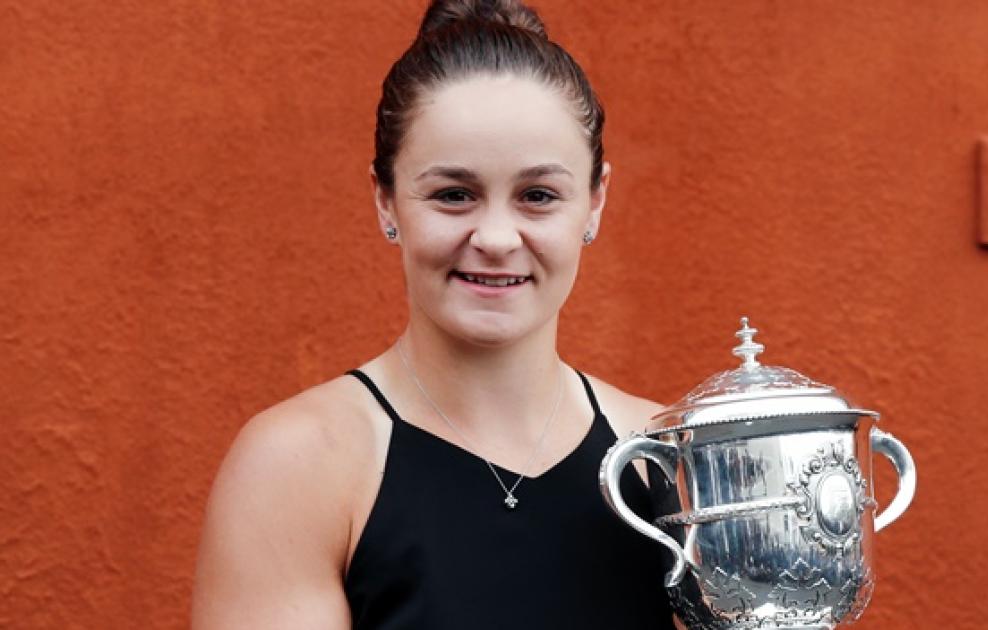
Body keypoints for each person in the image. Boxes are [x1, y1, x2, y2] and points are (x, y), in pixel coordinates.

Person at [191, 1, 678, 628]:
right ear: (386, 199)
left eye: (537, 195)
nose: (496, 238)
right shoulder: (300, 465)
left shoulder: (669, 455)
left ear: (595, 201)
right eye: (454, 194)